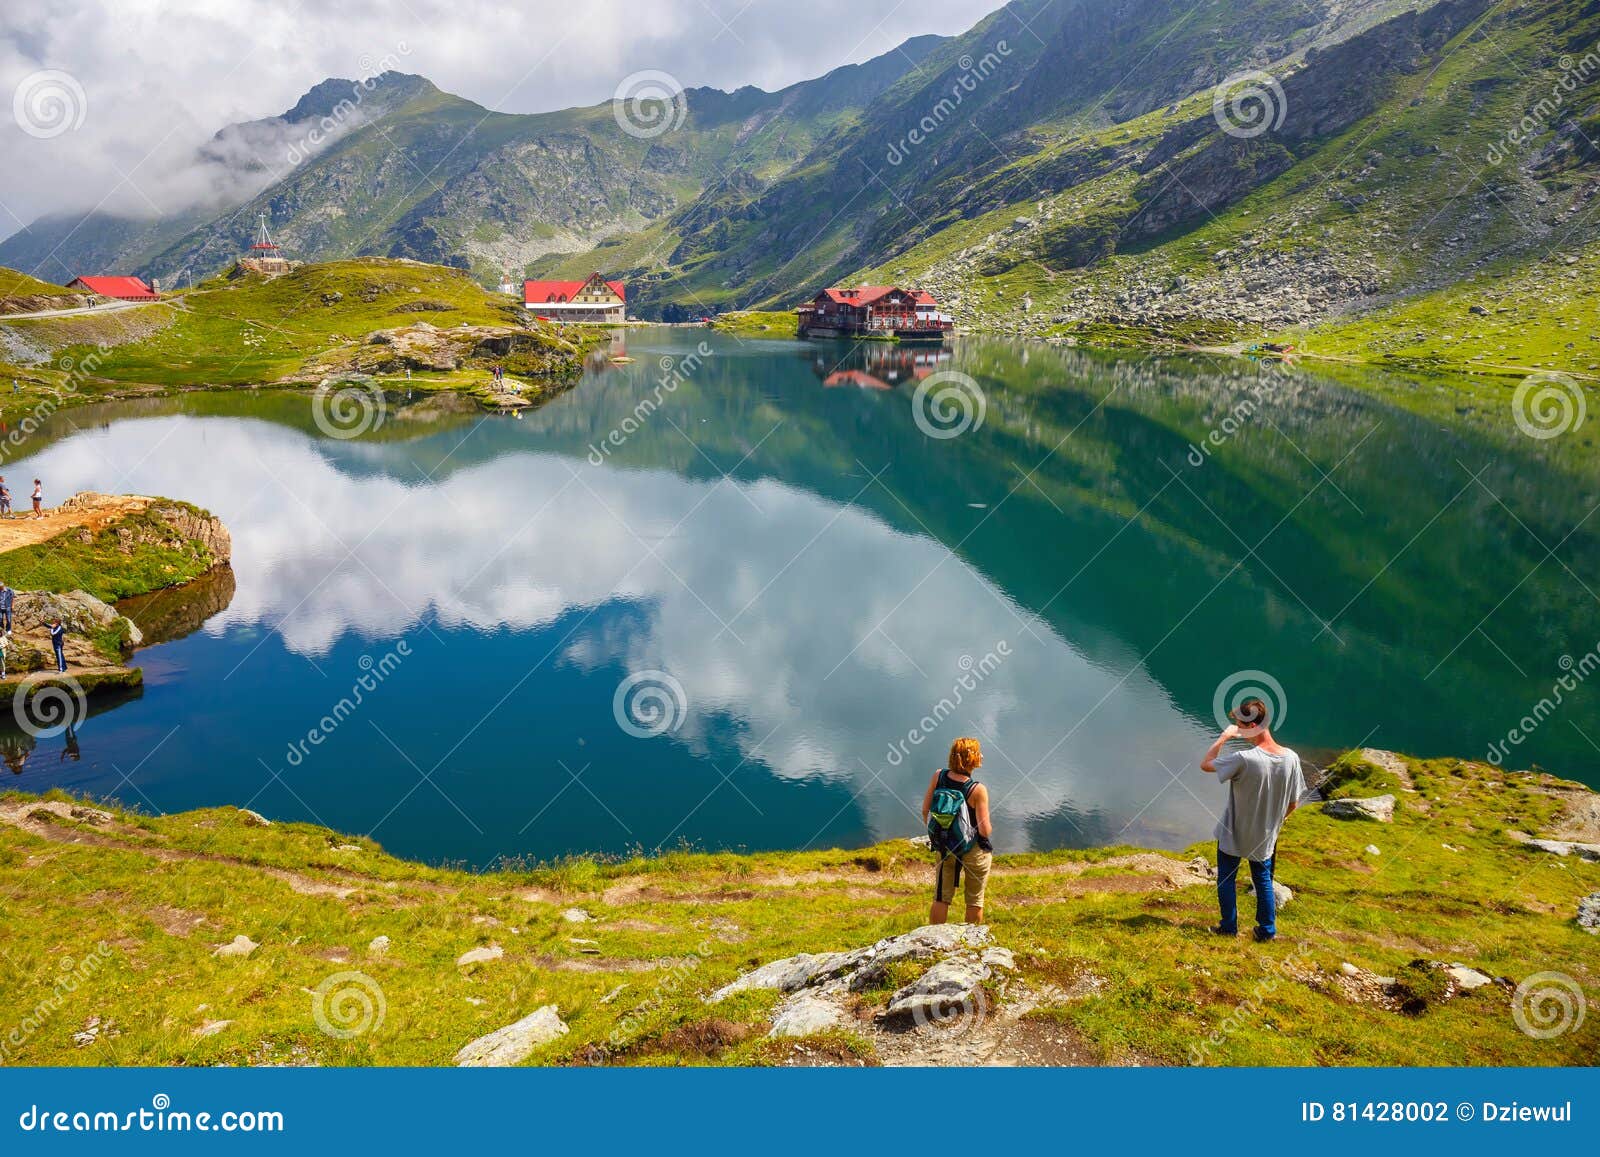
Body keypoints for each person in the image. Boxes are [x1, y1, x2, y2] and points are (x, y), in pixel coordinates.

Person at [1200, 697, 1307, 941]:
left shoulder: (1244, 758)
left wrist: (1224, 737)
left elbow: (1205, 764)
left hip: (1234, 831)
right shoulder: (1291, 758)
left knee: (1227, 878)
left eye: (1239, 725)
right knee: (1263, 880)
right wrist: (1277, 823)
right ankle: (1266, 931)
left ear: (1251, 726)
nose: (1238, 730)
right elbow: (1293, 802)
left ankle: (1229, 927)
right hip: (1266, 833)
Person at [921, 736, 994, 926]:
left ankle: (934, 941)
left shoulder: (939, 776)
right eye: (978, 753)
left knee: (941, 897)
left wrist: (941, 834)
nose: (982, 756)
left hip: (945, 846)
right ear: (971, 759)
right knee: (974, 900)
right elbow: (985, 831)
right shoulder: (977, 790)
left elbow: (925, 811)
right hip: (973, 850)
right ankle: (971, 945)